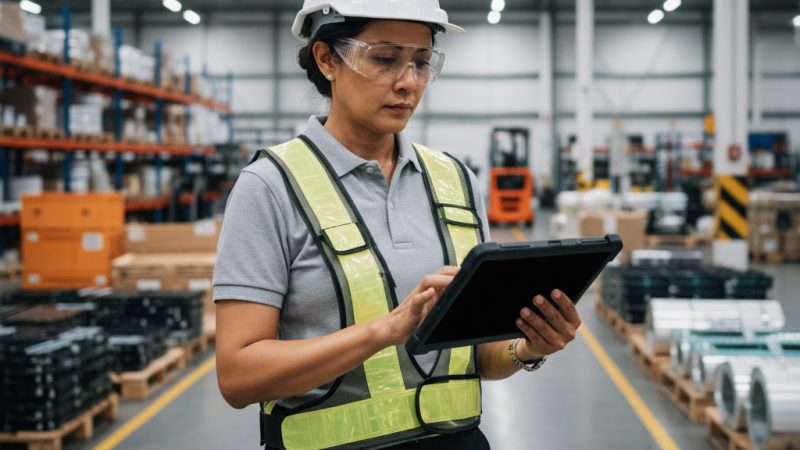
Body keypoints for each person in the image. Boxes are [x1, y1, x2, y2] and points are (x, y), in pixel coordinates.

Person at [213, 1, 583, 448]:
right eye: (385, 60)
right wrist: (383, 331)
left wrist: (528, 348)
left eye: (422, 63)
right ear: (327, 59)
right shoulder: (270, 187)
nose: (408, 83)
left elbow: (478, 356)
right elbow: (238, 376)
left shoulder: (454, 181)